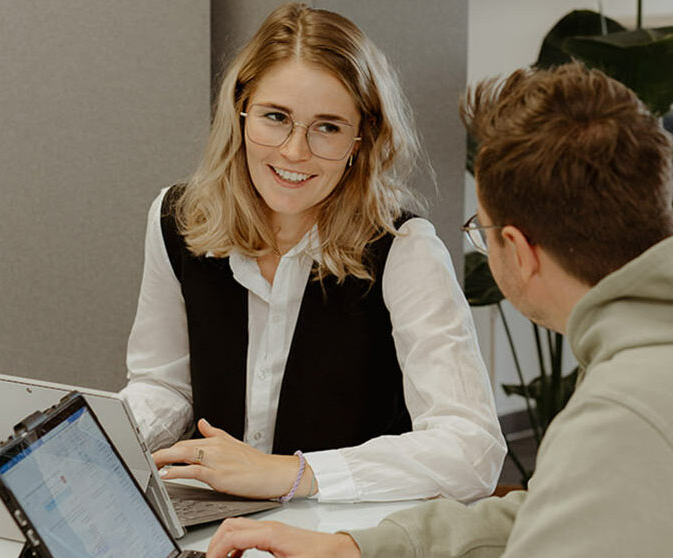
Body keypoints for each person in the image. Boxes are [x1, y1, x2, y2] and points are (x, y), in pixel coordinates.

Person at [203, 62, 673, 557]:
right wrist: (357, 547)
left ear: (519, 252)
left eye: (481, 229)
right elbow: (549, 511)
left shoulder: (634, 404)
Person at [118, 2, 505, 505]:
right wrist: (102, 442)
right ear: (240, 112)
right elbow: (164, 385)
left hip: (343, 532)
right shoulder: (175, 220)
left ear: (361, 139)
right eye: (276, 117)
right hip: (218, 521)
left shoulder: (405, 248)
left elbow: (472, 450)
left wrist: (290, 474)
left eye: (327, 126)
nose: (295, 152)